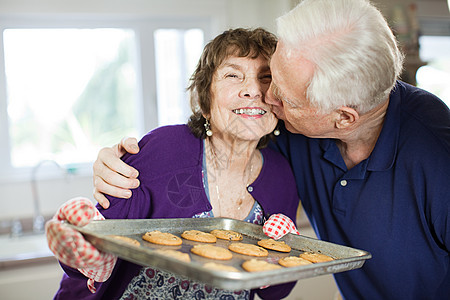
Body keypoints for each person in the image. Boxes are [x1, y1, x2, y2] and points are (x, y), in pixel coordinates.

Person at [93, 0, 450, 299]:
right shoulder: (290, 125)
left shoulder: (439, 161)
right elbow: (219, 124)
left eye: (279, 90)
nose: (266, 97)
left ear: (341, 117)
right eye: (271, 77)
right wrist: (116, 156)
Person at [46, 28, 300, 300]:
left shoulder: (281, 174)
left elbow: (276, 291)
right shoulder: (165, 148)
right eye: (233, 75)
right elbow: (93, 251)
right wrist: (83, 239)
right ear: (205, 100)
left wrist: (280, 254)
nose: (252, 90)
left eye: (266, 78)